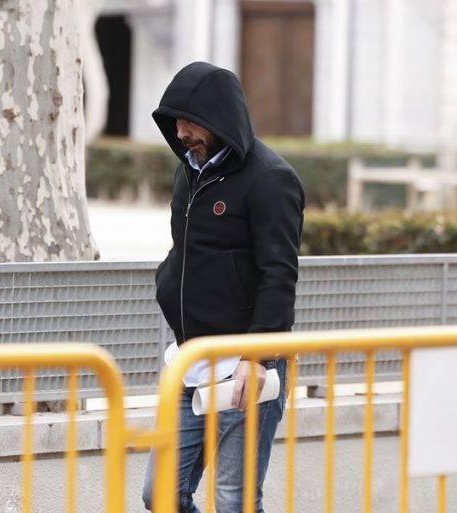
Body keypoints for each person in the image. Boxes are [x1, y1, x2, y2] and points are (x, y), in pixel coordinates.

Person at [142, 61, 305, 513]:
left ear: (218, 117)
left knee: (234, 502)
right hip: (191, 361)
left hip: (245, 367)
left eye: (189, 121)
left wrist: (257, 357)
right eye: (175, 121)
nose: (181, 132)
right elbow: (186, 249)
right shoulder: (189, 171)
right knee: (161, 497)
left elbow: (279, 274)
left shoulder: (271, 178)